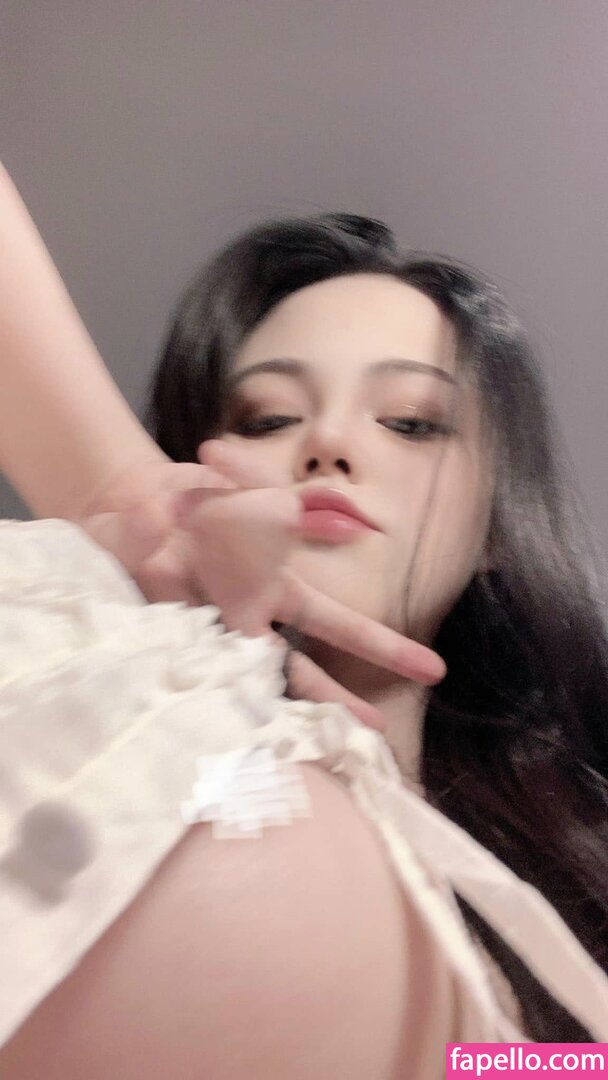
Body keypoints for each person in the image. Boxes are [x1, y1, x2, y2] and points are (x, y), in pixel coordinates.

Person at [0, 167, 606, 1078]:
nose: (327, 443)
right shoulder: (54, 699)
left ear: (497, 526)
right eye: (268, 417)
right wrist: (106, 481)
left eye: (411, 422)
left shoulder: (583, 861)